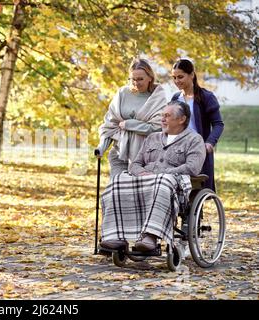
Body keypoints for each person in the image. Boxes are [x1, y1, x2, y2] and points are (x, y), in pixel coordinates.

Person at [100, 101, 206, 252]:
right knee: (117, 181)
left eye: (167, 116)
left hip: (173, 180)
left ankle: (150, 236)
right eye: (162, 115)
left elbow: (193, 167)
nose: (162, 119)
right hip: (145, 179)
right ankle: (115, 235)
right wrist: (141, 172)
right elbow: (135, 164)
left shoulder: (194, 140)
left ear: (182, 119)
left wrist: (161, 174)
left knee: (162, 182)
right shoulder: (153, 138)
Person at [96, 58, 168, 178]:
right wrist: (101, 147)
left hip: (145, 157)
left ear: (150, 77)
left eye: (140, 79)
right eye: (133, 79)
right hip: (119, 153)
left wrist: (129, 124)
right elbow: (110, 125)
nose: (136, 83)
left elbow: (157, 127)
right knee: (117, 190)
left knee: (138, 194)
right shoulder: (122, 94)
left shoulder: (158, 97)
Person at [171, 58, 224, 191]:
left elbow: (218, 124)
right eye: (174, 77)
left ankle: (195, 212)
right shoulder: (175, 98)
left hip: (198, 149)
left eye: (180, 77)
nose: (177, 81)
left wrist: (210, 143)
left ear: (192, 75)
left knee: (195, 190)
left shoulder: (206, 97)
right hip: (178, 150)